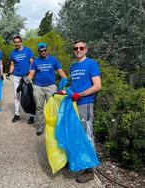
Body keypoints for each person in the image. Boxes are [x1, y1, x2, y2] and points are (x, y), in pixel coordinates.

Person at [58, 39, 101, 183]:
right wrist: (66, 91)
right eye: (75, 48)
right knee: (75, 133)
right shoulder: (73, 67)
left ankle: (89, 170)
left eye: (81, 47)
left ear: (86, 49)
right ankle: (77, 160)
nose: (78, 50)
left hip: (85, 103)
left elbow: (97, 86)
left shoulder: (91, 64)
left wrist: (80, 95)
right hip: (74, 104)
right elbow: (75, 87)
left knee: (86, 134)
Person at [28, 42, 67, 136]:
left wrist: (65, 79)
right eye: (41, 51)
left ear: (47, 50)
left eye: (45, 50)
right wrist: (26, 80)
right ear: (39, 52)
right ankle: (41, 125)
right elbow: (31, 74)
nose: (43, 52)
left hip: (51, 86)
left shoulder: (53, 60)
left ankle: (52, 125)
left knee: (52, 106)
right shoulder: (36, 61)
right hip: (38, 86)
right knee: (39, 106)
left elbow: (60, 71)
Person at [6, 35, 35, 123]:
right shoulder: (12, 53)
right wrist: (9, 72)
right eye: (15, 42)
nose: (17, 43)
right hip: (16, 77)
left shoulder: (27, 50)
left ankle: (31, 116)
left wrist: (30, 73)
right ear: (14, 43)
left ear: (21, 42)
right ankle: (17, 114)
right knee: (16, 95)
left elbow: (32, 62)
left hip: (26, 77)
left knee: (29, 96)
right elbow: (12, 65)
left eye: (18, 42)